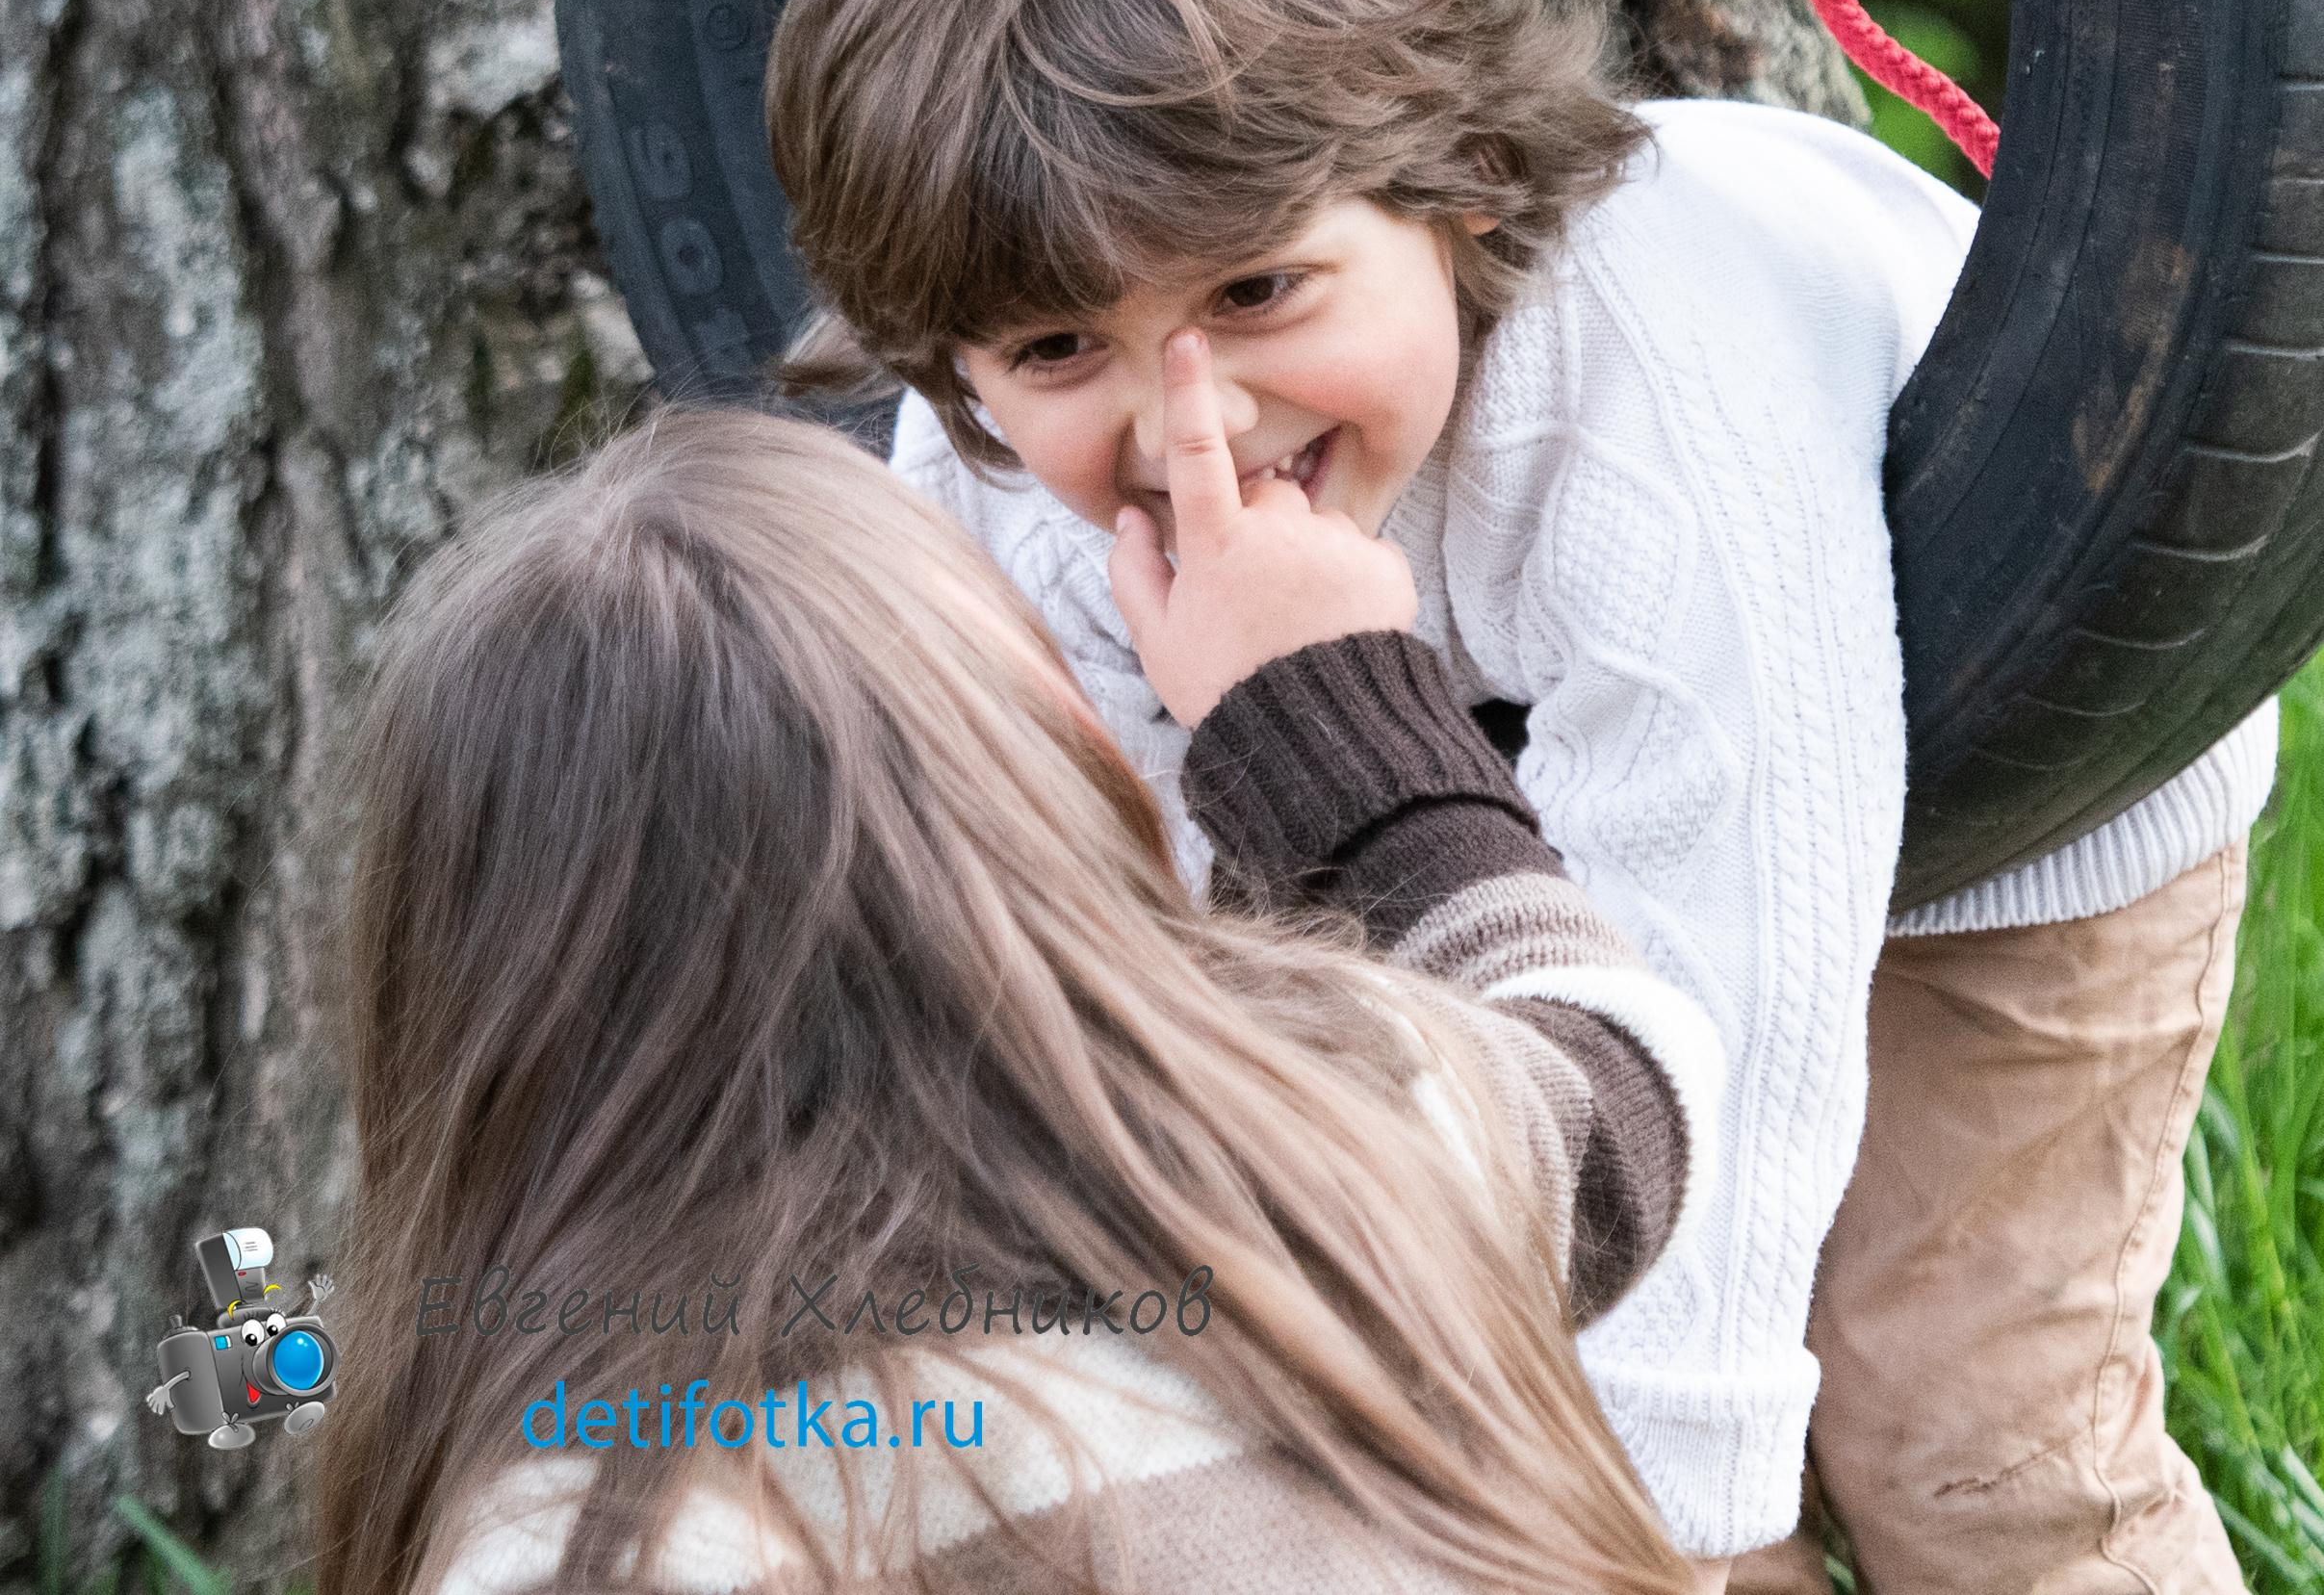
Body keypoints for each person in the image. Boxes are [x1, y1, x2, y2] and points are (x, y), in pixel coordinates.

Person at [763, 0, 2279, 1592]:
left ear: (1455, 182)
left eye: (1258, 288)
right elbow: (1125, 958)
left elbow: (1738, 950)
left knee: (1960, 1421)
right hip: (1520, 856)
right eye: (1057, 349)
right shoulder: (986, 484)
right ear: (953, 360)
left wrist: (1650, 1536)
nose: (1189, 427)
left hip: (2008, 813)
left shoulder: (1640, 401)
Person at [313, 399, 1725, 1595]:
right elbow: (1618, 1067)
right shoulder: (1338, 1137)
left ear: (455, 997)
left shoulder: (594, 1522)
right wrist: (1322, 699)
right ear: (1045, 768)